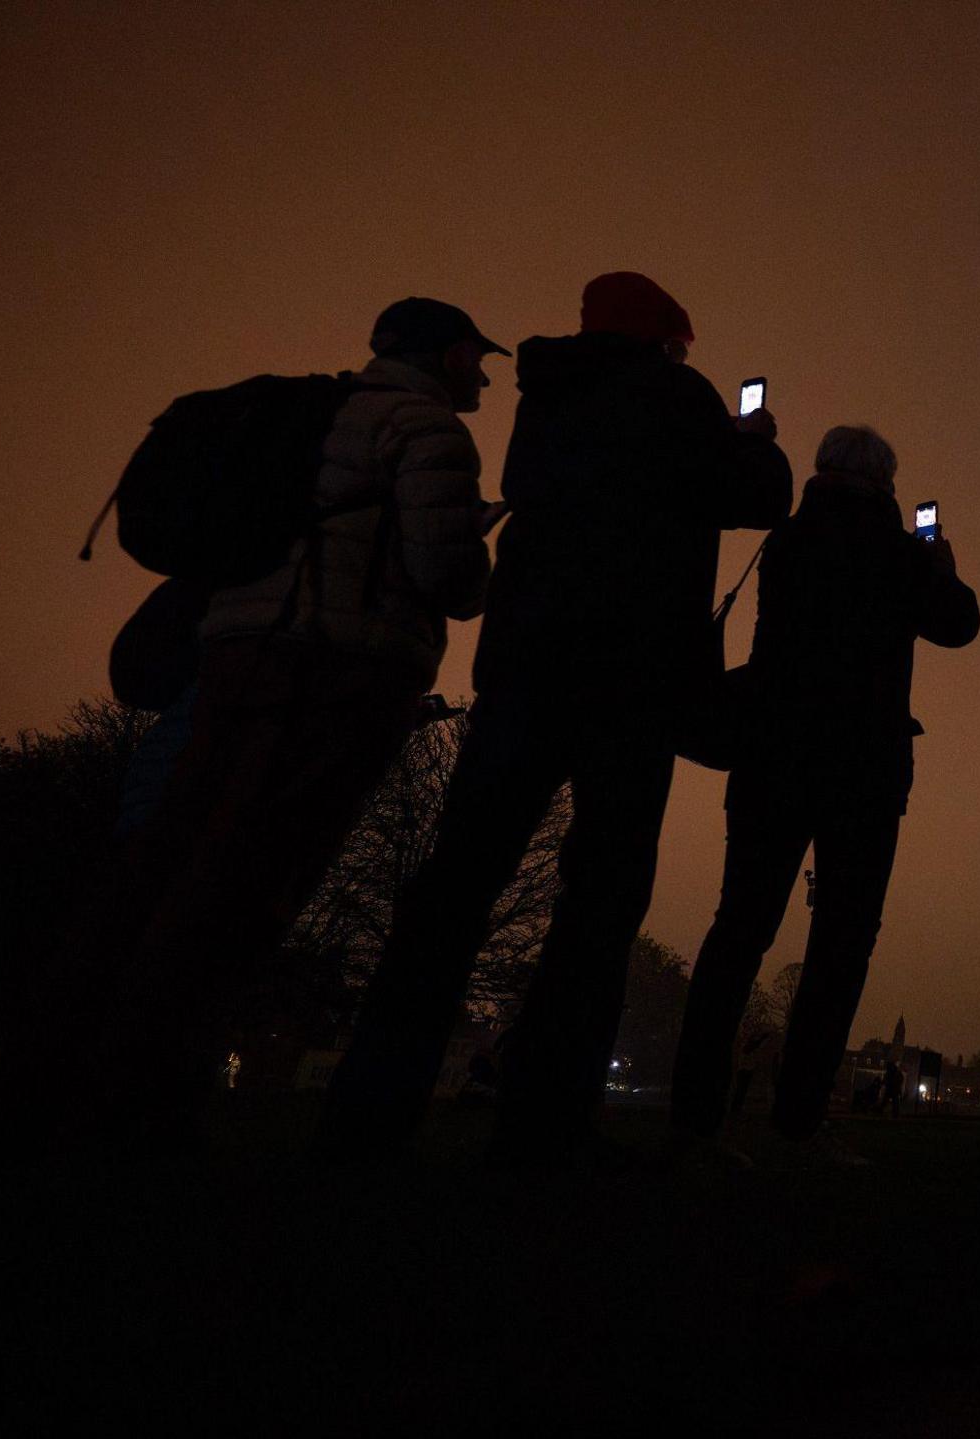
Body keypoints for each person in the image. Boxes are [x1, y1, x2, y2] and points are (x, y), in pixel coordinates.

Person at [0, 297, 505, 1151]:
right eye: (475, 357)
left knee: (162, 865)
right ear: (447, 356)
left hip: (237, 657)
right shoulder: (427, 429)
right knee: (245, 886)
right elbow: (445, 574)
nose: (484, 374)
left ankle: (37, 1092)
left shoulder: (313, 412)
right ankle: (129, 1112)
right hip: (339, 669)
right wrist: (477, 545)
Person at [322, 273, 791, 1166]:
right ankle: (545, 1122)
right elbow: (762, 496)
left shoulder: (543, 400)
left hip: (527, 670)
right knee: (601, 904)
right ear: (662, 339)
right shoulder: (677, 399)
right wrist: (752, 441)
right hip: (635, 685)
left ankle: (370, 1107)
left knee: (457, 883)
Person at [669, 425, 977, 1155]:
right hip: (864, 768)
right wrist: (944, 568)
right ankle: (797, 1116)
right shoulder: (901, 556)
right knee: (841, 942)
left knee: (739, 926)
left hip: (771, 754)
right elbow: (959, 625)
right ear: (886, 483)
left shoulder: (785, 542)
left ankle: (695, 1111)